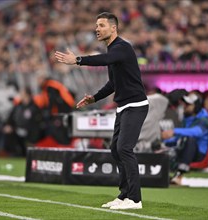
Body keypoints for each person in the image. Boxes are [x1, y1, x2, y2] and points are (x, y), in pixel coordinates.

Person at [55, 12, 148, 210]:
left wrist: (78, 60)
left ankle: (135, 199)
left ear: (113, 28)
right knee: (116, 149)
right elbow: (113, 83)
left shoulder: (121, 48)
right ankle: (124, 196)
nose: (97, 29)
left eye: (102, 25)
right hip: (124, 107)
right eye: (96, 25)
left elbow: (104, 60)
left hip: (136, 106)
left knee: (124, 148)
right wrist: (94, 98)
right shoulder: (113, 50)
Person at [161, 93, 208, 185]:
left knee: (190, 139)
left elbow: (196, 132)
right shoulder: (187, 120)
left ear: (196, 107)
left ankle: (179, 175)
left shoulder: (203, 121)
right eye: (185, 104)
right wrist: (163, 144)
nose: (185, 106)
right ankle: (164, 175)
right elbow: (178, 139)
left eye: (188, 105)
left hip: (198, 153)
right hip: (184, 147)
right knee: (164, 148)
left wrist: (174, 131)